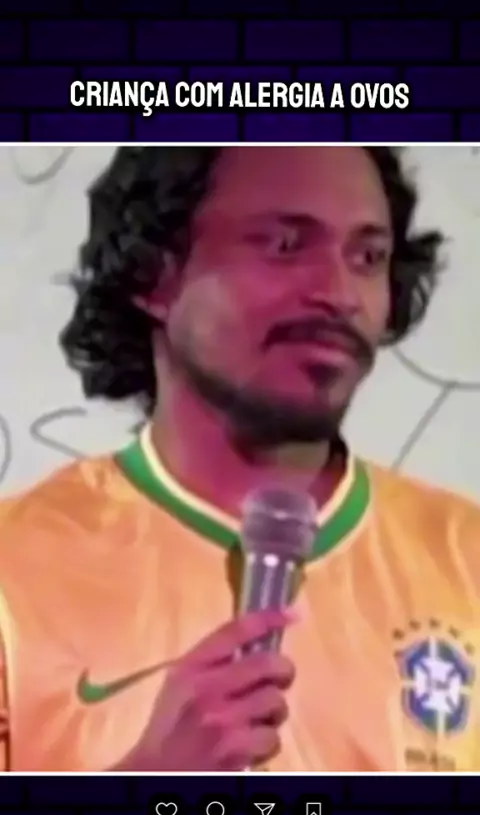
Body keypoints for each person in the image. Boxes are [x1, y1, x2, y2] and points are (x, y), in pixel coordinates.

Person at [0, 145, 478, 774]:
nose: (340, 294)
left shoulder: (464, 559)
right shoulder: (15, 569)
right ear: (154, 274)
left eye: (367, 257)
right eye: (284, 245)